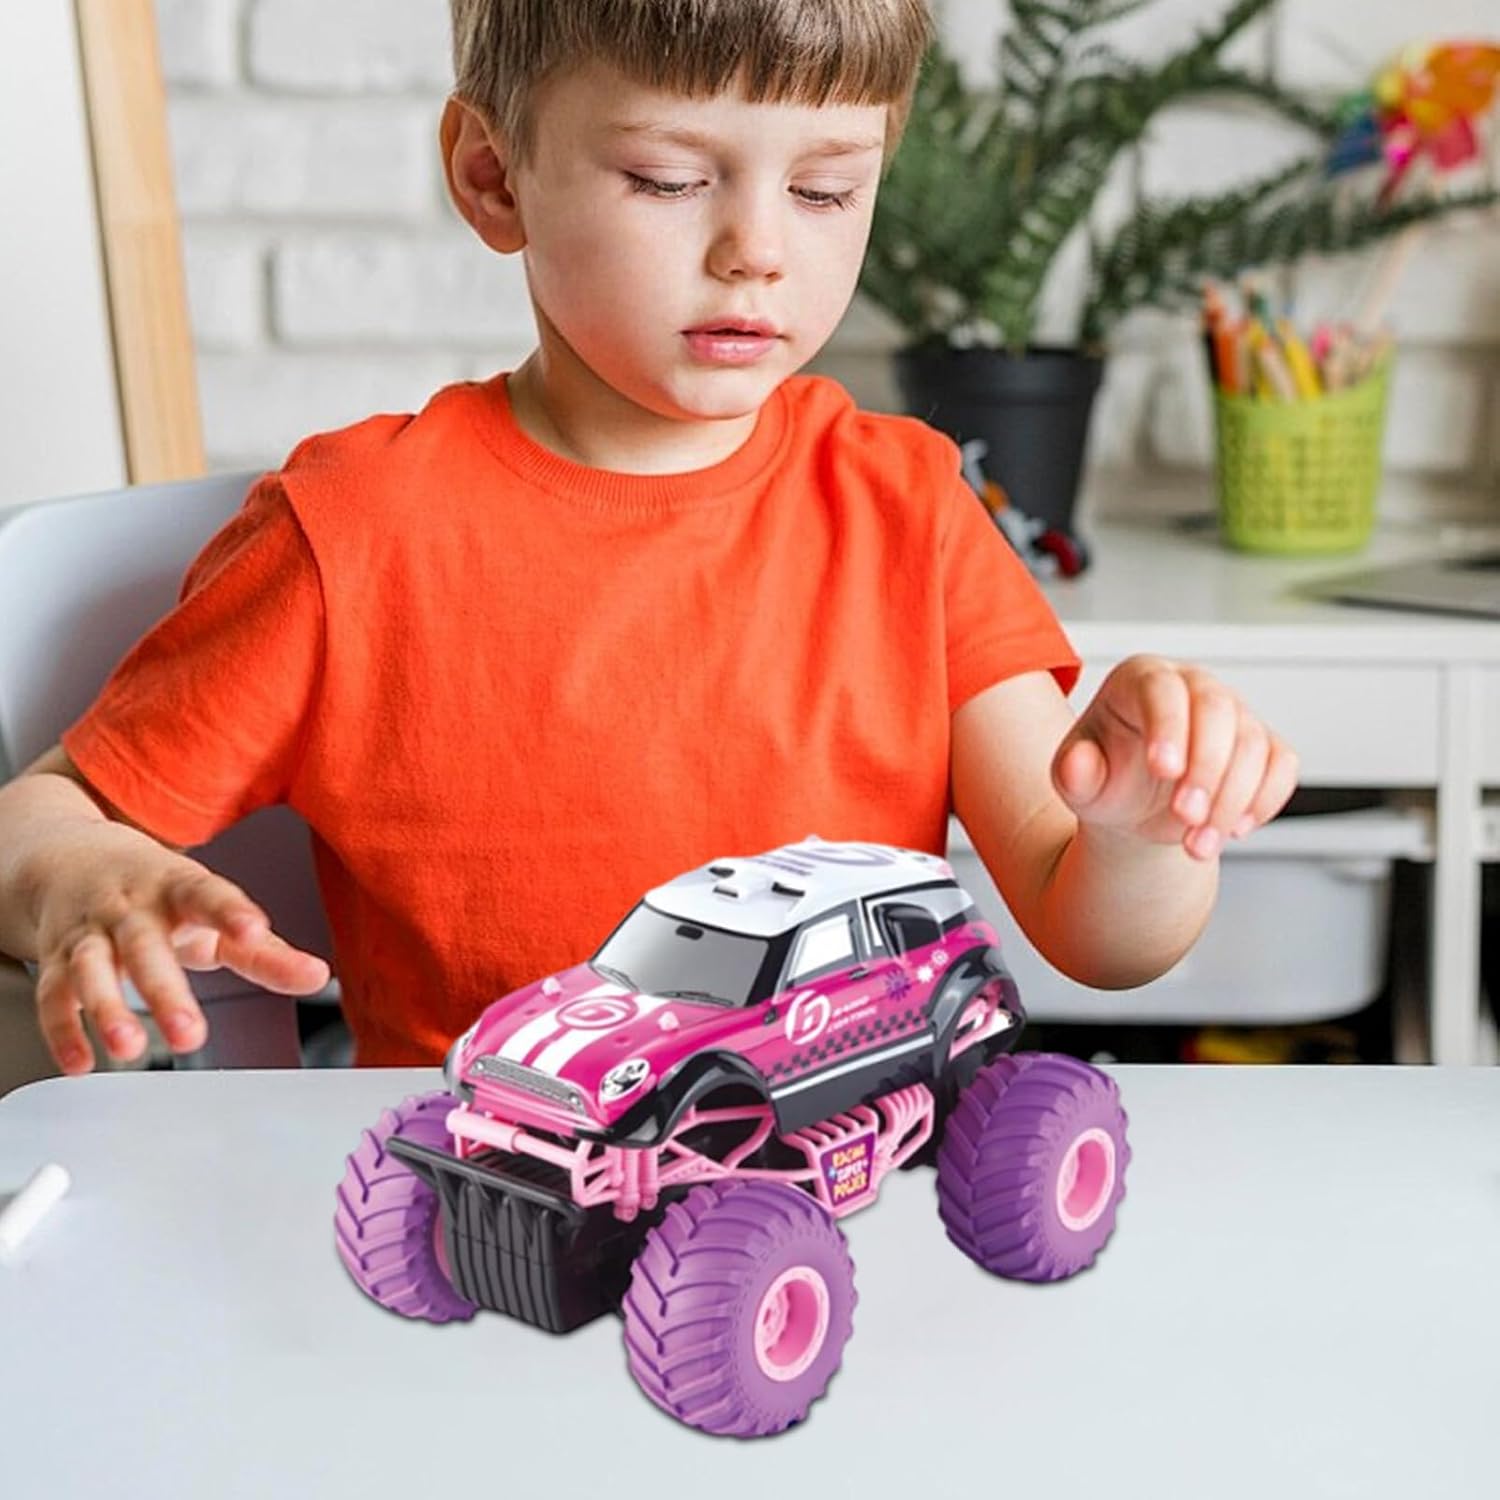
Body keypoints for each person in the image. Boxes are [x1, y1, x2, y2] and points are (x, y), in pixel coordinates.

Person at [0, 0, 1296, 1077]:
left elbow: (1099, 937)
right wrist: (82, 881)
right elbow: (38, 817)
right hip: (486, 1205)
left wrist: (1143, 830)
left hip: (858, 1204)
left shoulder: (908, 510)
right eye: (670, 180)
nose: (756, 251)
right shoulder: (352, 536)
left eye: (828, 189)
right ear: (493, 176)